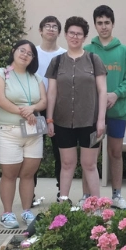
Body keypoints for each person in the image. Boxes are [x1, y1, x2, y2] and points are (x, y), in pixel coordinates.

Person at [45, 16, 108, 202]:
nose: (75, 36)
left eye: (79, 34)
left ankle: (97, 207)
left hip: (90, 121)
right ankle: (63, 203)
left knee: (89, 164)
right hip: (62, 121)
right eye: (71, 33)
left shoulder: (93, 59)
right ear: (65, 35)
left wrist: (101, 120)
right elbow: (51, 93)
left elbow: (103, 91)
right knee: (67, 163)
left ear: (85, 37)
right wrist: (49, 119)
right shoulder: (56, 62)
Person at [0, 40, 47, 229]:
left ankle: (26, 211)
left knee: (29, 174)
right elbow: (0, 100)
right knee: (9, 175)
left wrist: (33, 108)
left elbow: (44, 101)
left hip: (33, 132)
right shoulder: (0, 74)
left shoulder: (35, 77)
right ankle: (7, 213)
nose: (25, 55)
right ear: (14, 51)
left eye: (30, 53)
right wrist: (24, 112)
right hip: (8, 131)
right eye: (22, 50)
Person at [84, 5, 126, 208]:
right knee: (90, 155)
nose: (104, 26)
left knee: (116, 153)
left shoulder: (123, 51)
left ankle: (116, 195)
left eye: (107, 22)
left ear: (113, 24)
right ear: (95, 25)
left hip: (117, 112)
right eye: (99, 23)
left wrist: (116, 94)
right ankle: (87, 197)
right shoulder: (88, 51)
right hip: (92, 113)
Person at [36, 16, 66, 197]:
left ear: (59, 32)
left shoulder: (64, 54)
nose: (51, 29)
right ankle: (28, 193)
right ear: (40, 30)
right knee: (33, 153)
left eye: (55, 26)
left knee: (61, 153)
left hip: (59, 108)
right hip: (36, 109)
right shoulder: (32, 52)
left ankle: (62, 192)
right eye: (47, 26)